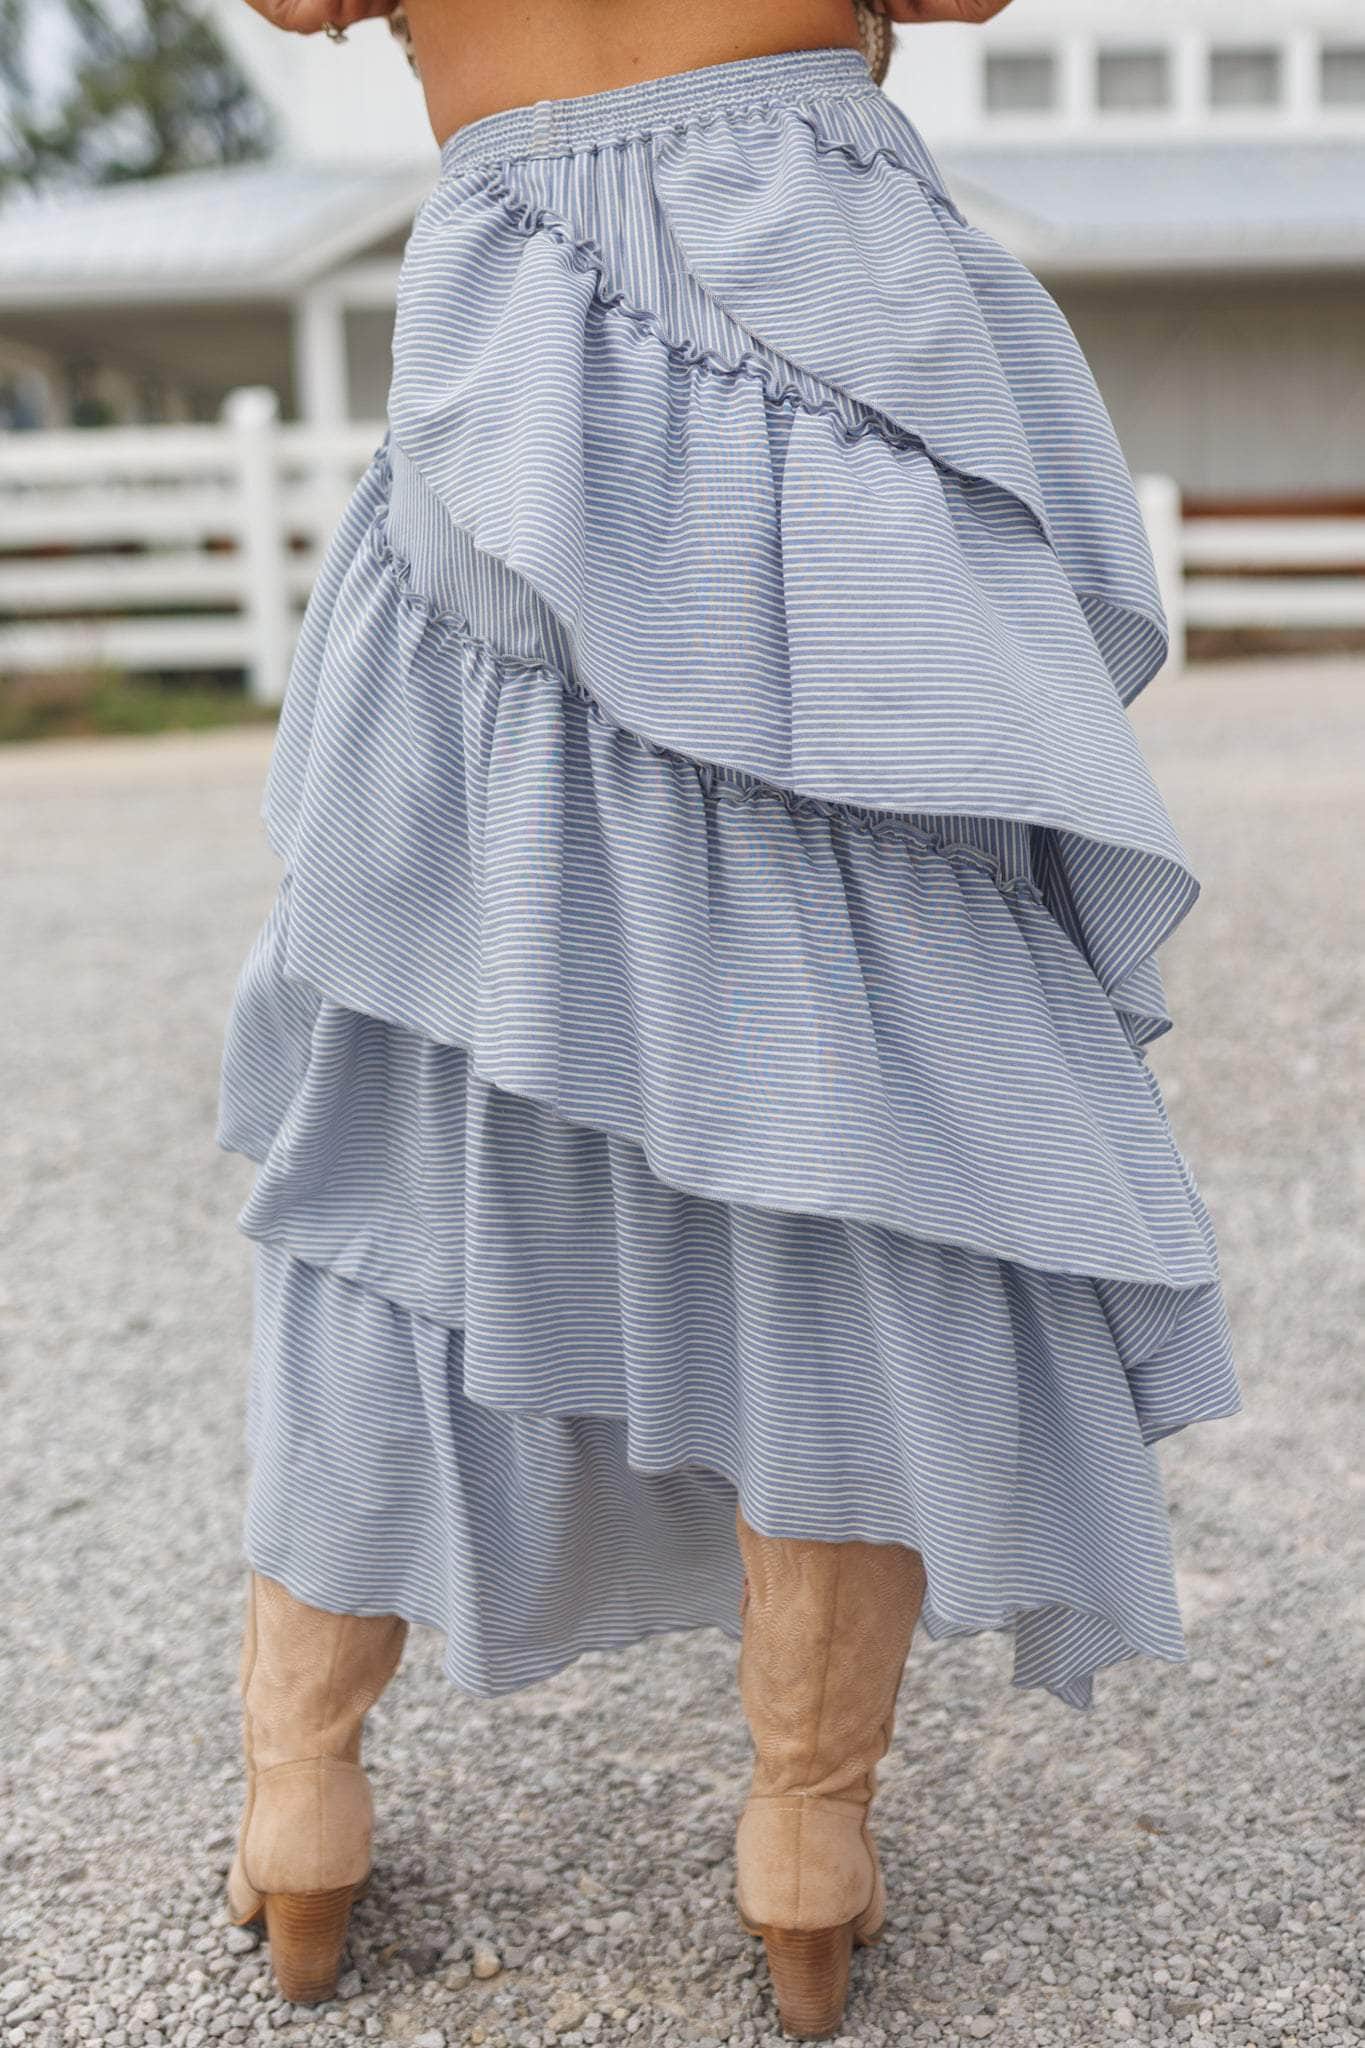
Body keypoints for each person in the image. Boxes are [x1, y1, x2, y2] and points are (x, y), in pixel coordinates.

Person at [217, 0, 1242, 2036]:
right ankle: (803, 1833)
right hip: (824, 316)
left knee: (440, 1097)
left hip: (514, 355)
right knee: (857, 1121)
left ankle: (298, 1793)